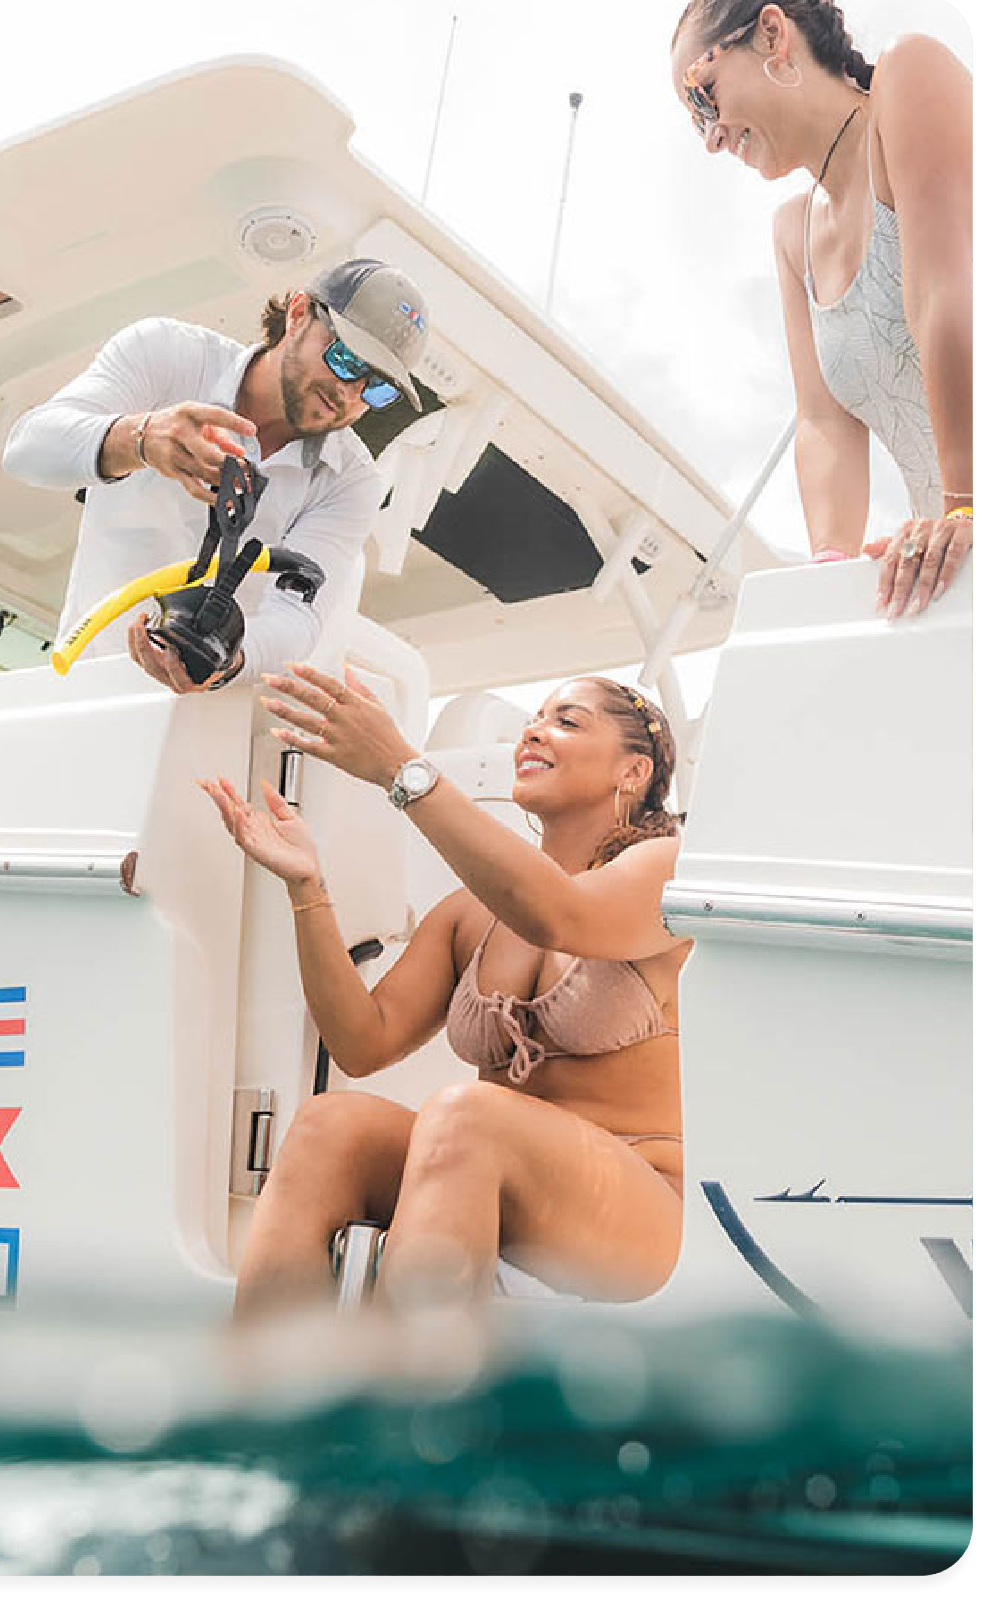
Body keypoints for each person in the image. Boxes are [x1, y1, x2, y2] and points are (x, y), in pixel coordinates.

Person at [200, 668, 691, 1315]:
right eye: (532, 721)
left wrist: (402, 769)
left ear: (633, 772)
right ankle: (262, 1398)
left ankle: (409, 1409)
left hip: (637, 1208)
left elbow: (559, 913)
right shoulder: (470, 916)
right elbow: (361, 1041)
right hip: (483, 1172)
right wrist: (306, 888)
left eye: (566, 721)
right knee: (330, 1124)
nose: (534, 734)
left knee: (466, 1113)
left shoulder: (667, 870)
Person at [1, 257, 431, 692]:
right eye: (344, 358)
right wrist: (141, 439)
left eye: (377, 388)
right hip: (85, 688)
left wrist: (225, 660)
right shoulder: (167, 353)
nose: (348, 392)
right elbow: (27, 448)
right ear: (298, 314)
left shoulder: (352, 480)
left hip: (204, 723)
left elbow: (298, 615)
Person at [669, 2, 972, 614]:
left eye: (704, 99)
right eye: (693, 123)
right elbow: (823, 423)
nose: (711, 138)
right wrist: (827, 582)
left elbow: (948, 291)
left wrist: (963, 501)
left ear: (772, 34)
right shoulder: (792, 236)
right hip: (955, 561)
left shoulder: (909, 75)